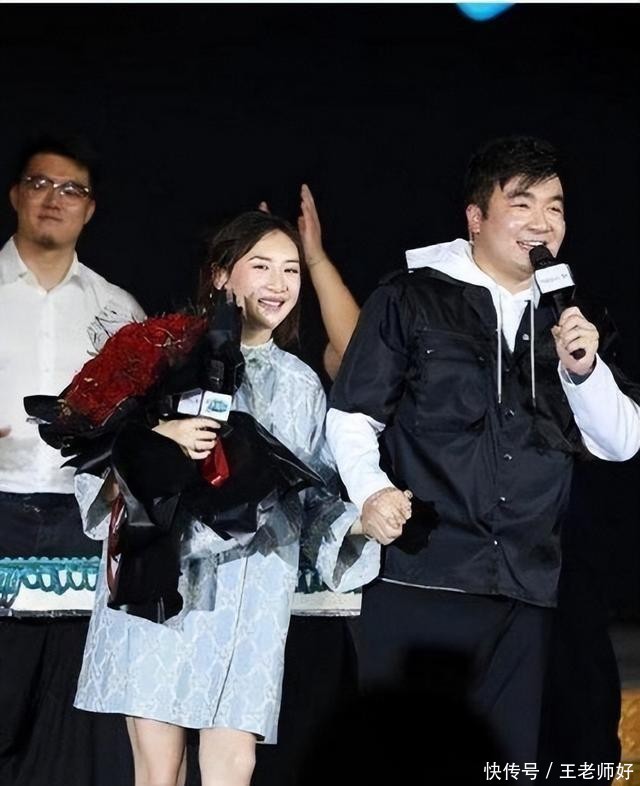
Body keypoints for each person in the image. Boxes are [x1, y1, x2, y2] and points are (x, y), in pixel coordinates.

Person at [325, 135, 640, 763]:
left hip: (524, 586)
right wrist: (371, 492)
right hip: (423, 574)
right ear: (476, 217)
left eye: (555, 207)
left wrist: (584, 369)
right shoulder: (412, 297)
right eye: (522, 204)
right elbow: (352, 414)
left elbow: (621, 442)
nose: (542, 223)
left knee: (502, 763)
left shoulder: (570, 315)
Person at [71, 210, 372, 786]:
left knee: (235, 765)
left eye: (291, 270)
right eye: (261, 266)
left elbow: (312, 499)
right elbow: (96, 470)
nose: (279, 283)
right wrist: (160, 439)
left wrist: (363, 522)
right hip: (164, 583)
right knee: (160, 769)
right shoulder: (157, 354)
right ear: (220, 274)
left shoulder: (301, 384)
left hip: (251, 595)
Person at [0, 133, 144, 786]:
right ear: (15, 194)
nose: (53, 199)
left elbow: (141, 420)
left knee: (65, 716)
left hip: (80, 520)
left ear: (89, 209)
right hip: (1, 506)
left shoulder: (117, 309)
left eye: (71, 189)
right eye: (39, 183)